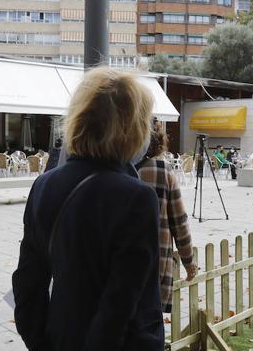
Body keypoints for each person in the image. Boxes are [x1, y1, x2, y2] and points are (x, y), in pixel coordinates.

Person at [13, 67, 164, 350]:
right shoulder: (137, 197)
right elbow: (120, 305)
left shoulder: (44, 185)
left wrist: (41, 343)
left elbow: (27, 284)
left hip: (60, 338)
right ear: (131, 128)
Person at [135, 122, 198, 313]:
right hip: (155, 262)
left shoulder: (116, 168)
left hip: (117, 266)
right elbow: (179, 221)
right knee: (150, 319)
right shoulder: (161, 170)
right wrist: (188, 261)